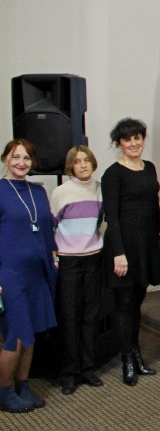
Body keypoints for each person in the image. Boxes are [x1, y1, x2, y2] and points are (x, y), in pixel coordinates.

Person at [101, 118, 160, 386]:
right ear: (119, 144)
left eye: (138, 138)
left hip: (145, 245)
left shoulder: (149, 168)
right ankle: (126, 359)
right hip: (124, 248)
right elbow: (111, 217)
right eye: (128, 139)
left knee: (138, 303)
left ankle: (137, 356)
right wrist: (119, 252)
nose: (134, 143)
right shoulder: (112, 174)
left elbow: (154, 208)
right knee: (124, 305)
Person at [0, 139, 57, 412]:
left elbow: (45, 230)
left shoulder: (38, 191)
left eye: (26, 158)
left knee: (31, 332)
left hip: (38, 272)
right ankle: (4, 391)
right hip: (10, 274)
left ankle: (22, 385)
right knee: (17, 334)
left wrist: (52, 261)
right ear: (5, 159)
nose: (21, 163)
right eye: (15, 157)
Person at [50, 145, 104, 395]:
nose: (83, 165)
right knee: (70, 317)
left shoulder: (100, 189)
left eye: (87, 160)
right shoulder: (60, 192)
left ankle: (87, 368)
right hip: (69, 261)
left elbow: (100, 221)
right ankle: (69, 373)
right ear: (70, 166)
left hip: (93, 259)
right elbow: (52, 226)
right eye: (78, 161)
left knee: (89, 316)